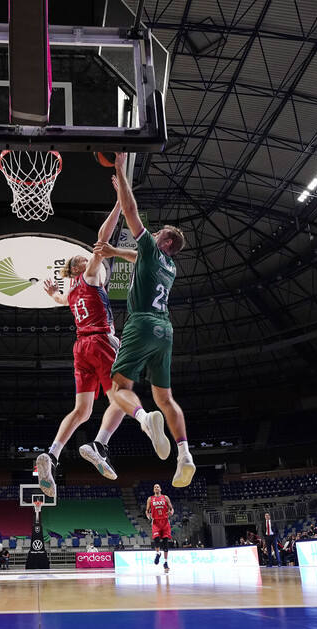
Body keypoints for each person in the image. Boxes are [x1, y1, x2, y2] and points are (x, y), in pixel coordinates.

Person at [92, 153, 195, 488]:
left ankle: (143, 418)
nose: (155, 232)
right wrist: (115, 253)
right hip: (166, 329)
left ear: (163, 241)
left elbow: (131, 211)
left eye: (160, 231)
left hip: (141, 323)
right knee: (166, 398)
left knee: (119, 389)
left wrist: (121, 172)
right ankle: (184, 454)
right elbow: (138, 256)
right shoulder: (171, 266)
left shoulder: (152, 245)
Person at [36, 182, 127, 494]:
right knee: (122, 398)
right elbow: (103, 239)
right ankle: (98, 445)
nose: (91, 258)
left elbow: (61, 300)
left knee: (82, 411)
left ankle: (52, 453)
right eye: (85, 258)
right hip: (100, 342)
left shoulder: (72, 291)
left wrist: (52, 293)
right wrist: (118, 204)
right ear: (81, 267)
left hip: (80, 347)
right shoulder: (89, 277)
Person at [146, 483, 174, 572]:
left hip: (165, 521)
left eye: (158, 487)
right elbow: (147, 511)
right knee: (156, 539)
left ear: (160, 489)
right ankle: (158, 554)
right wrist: (148, 515)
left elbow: (171, 508)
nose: (156, 488)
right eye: (155, 487)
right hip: (156, 522)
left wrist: (172, 512)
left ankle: (165, 562)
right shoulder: (150, 499)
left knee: (165, 543)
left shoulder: (165, 497)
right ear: (153, 490)